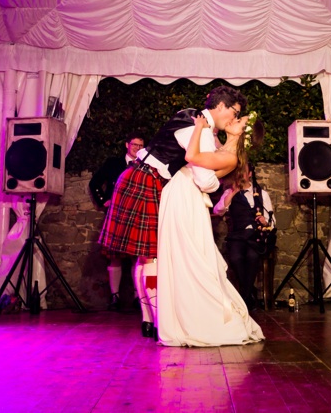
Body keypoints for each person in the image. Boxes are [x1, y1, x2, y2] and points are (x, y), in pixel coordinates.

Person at [98, 85, 246, 340]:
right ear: (221, 106)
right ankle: (156, 320)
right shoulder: (196, 128)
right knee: (151, 256)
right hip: (146, 181)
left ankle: (149, 319)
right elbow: (204, 178)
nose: (233, 118)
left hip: (142, 177)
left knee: (145, 258)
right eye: (234, 112)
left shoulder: (190, 116)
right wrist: (212, 181)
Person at [156, 111, 266, 347]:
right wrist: (209, 130)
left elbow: (192, 156)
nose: (234, 120)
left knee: (191, 257)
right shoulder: (224, 149)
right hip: (184, 192)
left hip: (187, 193)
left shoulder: (230, 158)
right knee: (188, 257)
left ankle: (202, 319)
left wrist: (199, 127)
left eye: (240, 121)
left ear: (242, 134)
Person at [89, 132, 145, 311]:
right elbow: (94, 183)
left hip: (137, 214)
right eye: (134, 145)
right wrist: (103, 200)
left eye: (140, 146)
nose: (137, 148)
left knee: (137, 257)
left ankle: (138, 297)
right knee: (115, 258)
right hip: (116, 214)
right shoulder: (113, 163)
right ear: (127, 145)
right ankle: (115, 298)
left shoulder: (145, 165)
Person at [213, 161, 275, 311]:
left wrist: (265, 221)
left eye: (243, 171)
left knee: (252, 257)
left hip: (256, 235)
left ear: (249, 174)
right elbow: (218, 210)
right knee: (235, 258)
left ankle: (244, 297)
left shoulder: (261, 194)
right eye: (238, 172)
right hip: (237, 236)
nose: (240, 174)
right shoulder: (230, 192)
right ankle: (249, 293)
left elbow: (271, 220)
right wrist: (233, 192)